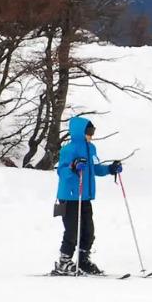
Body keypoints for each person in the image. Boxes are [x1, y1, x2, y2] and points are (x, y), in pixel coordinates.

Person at [52, 115, 122, 276]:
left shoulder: (91, 149)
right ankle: (63, 262)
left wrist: (110, 169)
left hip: (85, 197)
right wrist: (73, 167)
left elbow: (95, 169)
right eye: (89, 131)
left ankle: (83, 260)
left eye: (93, 131)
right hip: (69, 197)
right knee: (72, 230)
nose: (91, 135)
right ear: (79, 132)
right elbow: (61, 171)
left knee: (88, 230)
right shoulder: (68, 150)